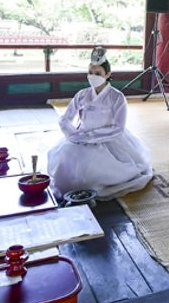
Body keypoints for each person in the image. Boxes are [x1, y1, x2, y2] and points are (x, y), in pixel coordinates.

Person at [48, 48, 154, 199]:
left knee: (91, 172)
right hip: (80, 137)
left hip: (109, 140)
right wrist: (72, 134)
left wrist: (90, 137)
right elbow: (65, 118)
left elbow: (118, 127)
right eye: (90, 72)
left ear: (108, 75)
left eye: (98, 74)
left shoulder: (117, 97)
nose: (93, 76)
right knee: (64, 163)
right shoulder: (82, 95)